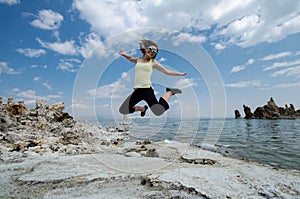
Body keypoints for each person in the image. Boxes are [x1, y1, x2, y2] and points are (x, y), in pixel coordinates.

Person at [119, 38, 187, 117]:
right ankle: (143, 109)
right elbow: (131, 59)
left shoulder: (153, 63)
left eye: (155, 52)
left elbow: (167, 71)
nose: (152, 52)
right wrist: (124, 54)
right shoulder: (139, 60)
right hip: (137, 90)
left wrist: (180, 74)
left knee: (158, 111)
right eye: (151, 49)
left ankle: (170, 92)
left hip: (147, 90)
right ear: (146, 49)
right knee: (123, 109)